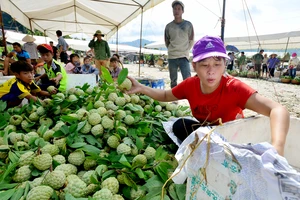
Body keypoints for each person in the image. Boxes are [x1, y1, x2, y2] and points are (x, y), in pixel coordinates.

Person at [127, 35, 290, 156]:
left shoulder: (234, 88)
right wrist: (142, 88)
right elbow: (164, 95)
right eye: (204, 65)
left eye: (217, 64)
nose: (211, 71)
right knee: (179, 125)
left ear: (225, 64)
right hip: (209, 134)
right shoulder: (190, 85)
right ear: (194, 66)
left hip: (232, 139)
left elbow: (278, 110)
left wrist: (277, 147)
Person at [164, 0, 194, 88]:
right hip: (172, 56)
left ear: (182, 11)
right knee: (173, 80)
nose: (176, 11)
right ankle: (174, 98)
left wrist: (185, 50)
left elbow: (191, 40)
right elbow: (166, 41)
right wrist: (171, 49)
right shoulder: (168, 26)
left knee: (187, 79)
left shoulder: (188, 25)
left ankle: (189, 96)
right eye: (175, 9)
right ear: (172, 11)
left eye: (179, 9)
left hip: (184, 56)